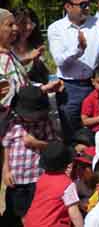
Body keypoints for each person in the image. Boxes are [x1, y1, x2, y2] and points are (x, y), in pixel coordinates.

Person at [48, 0, 99, 141]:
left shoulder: (98, 24)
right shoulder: (56, 28)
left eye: (88, 3)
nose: (87, 8)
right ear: (68, 6)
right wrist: (78, 49)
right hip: (70, 88)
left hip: (95, 85)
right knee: (72, 133)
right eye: (82, 5)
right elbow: (59, 60)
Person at [2, 86, 59, 224]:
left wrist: (37, 143)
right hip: (17, 178)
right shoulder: (13, 124)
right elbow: (7, 146)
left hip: (36, 177)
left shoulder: (45, 124)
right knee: (14, 211)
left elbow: (54, 147)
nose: (30, 117)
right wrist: (6, 169)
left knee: (34, 211)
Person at [23, 141, 84, 227]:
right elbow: (74, 213)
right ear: (67, 164)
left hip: (31, 222)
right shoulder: (67, 184)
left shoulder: (42, 178)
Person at [11, 7, 49, 84]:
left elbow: (43, 76)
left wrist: (37, 62)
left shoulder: (35, 45)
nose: (29, 27)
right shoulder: (5, 47)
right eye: (24, 23)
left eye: (32, 23)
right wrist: (27, 58)